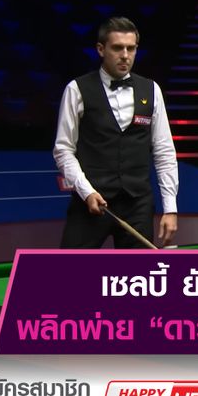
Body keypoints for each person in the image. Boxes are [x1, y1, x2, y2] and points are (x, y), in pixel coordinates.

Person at [53, 17, 178, 248]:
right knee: (68, 269)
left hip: (138, 204)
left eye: (131, 48)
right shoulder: (77, 89)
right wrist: (86, 191)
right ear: (101, 49)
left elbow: (164, 152)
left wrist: (170, 208)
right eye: (118, 48)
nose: (125, 55)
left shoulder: (151, 90)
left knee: (137, 272)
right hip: (90, 201)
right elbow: (63, 150)